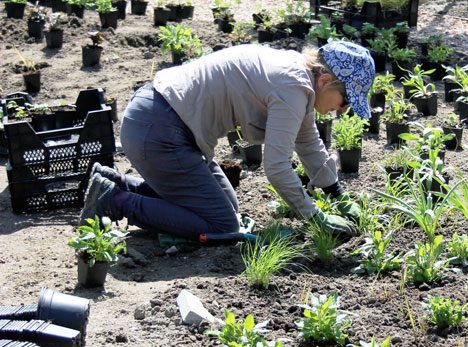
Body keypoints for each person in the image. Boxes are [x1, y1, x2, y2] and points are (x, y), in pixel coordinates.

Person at [79, 40, 375, 241]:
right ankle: (115, 201)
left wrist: (338, 195)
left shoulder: (298, 77)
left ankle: (117, 183)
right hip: (160, 131)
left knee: (227, 206)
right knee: (221, 224)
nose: (344, 110)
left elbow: (308, 143)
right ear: (325, 81)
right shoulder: (293, 87)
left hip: (161, 121)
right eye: (346, 100)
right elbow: (276, 167)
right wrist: (314, 216)